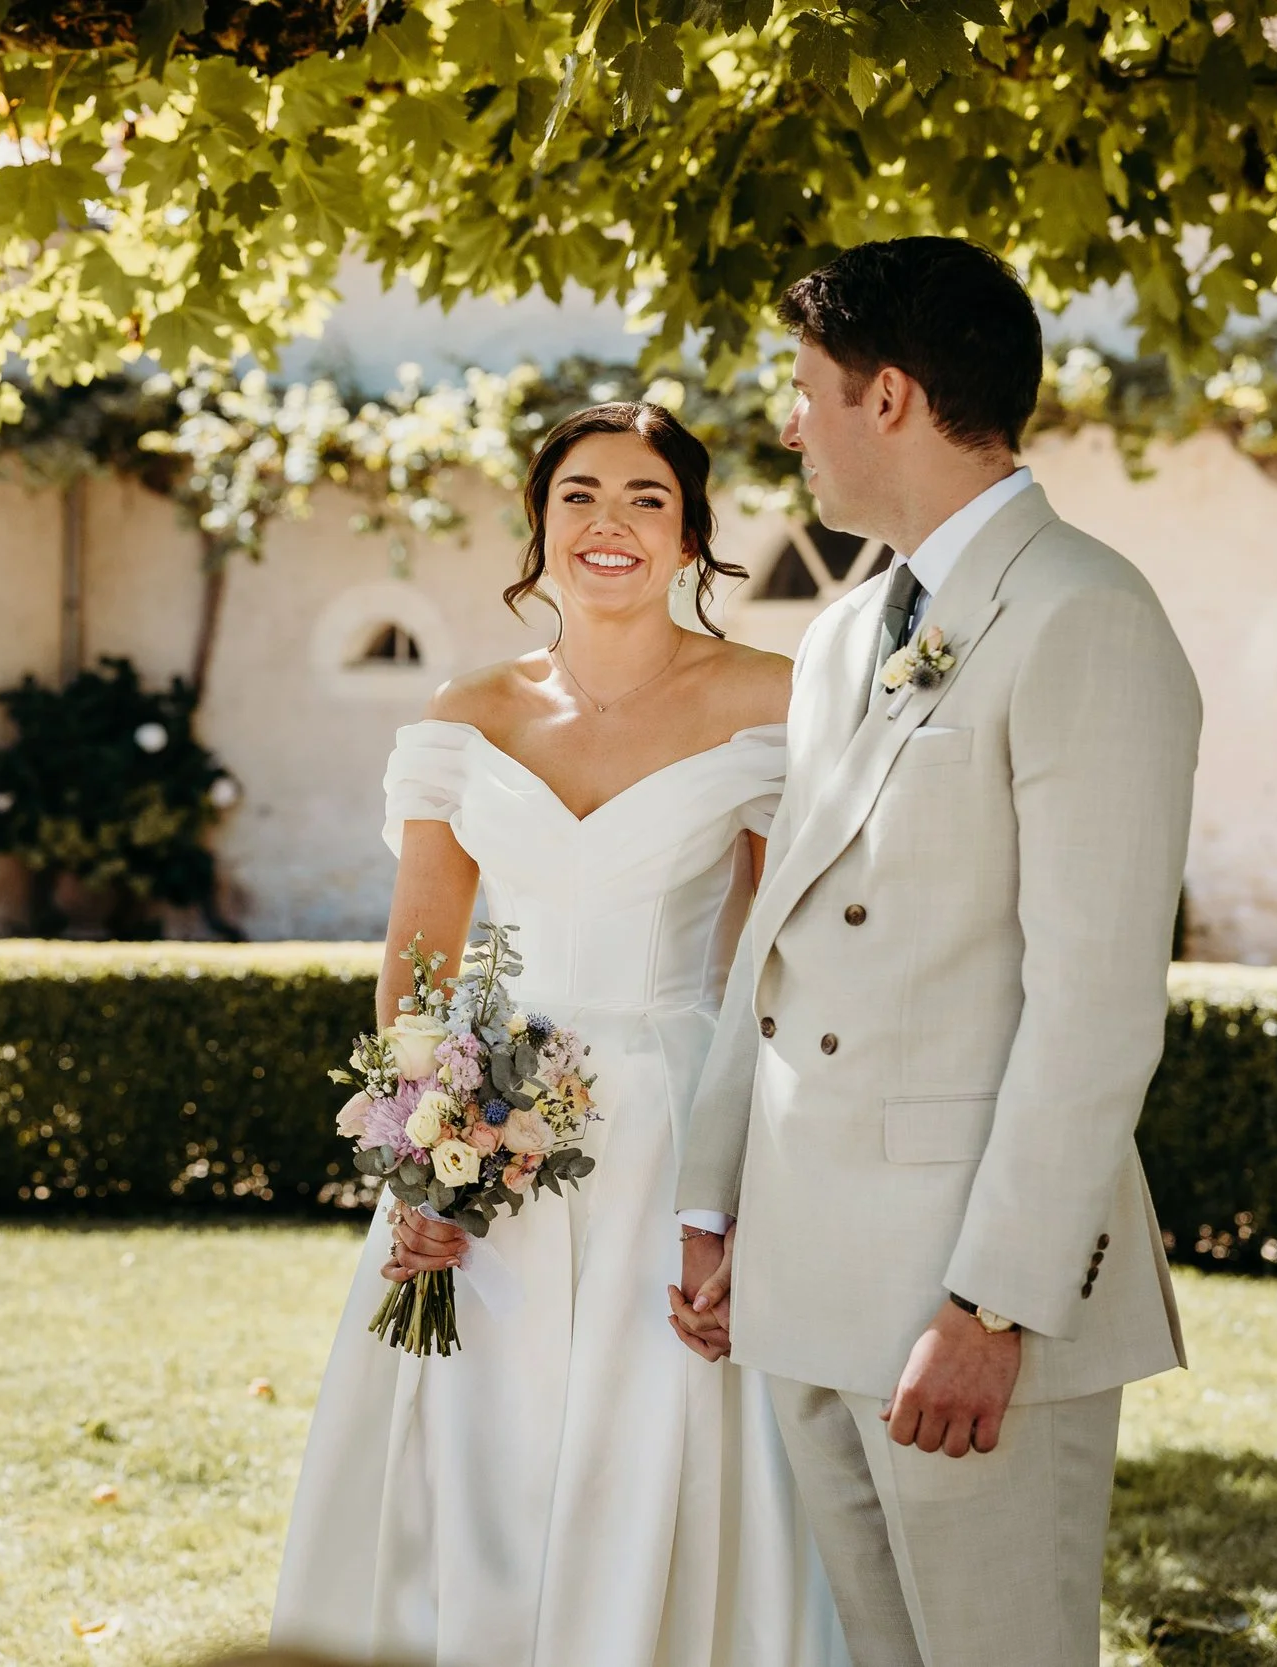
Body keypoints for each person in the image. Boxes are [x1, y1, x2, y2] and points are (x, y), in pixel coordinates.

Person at [671, 238, 1198, 1667]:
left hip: (969, 1296)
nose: (788, 423)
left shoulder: (1090, 616)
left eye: (805, 387)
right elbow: (777, 940)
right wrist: (715, 1200)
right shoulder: (846, 632)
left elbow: (1094, 1006)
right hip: (810, 1273)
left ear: (887, 397)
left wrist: (994, 1302)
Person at [273, 404, 850, 1666]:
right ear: (538, 525)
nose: (610, 522)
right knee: (481, 1432)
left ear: (693, 531)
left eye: (647, 497)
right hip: (483, 1123)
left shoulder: (771, 698)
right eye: (579, 493)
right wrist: (416, 1158)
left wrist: (750, 1194)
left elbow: (783, 963)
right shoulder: (466, 709)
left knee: (665, 1425)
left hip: (677, 1119)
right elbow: (421, 962)